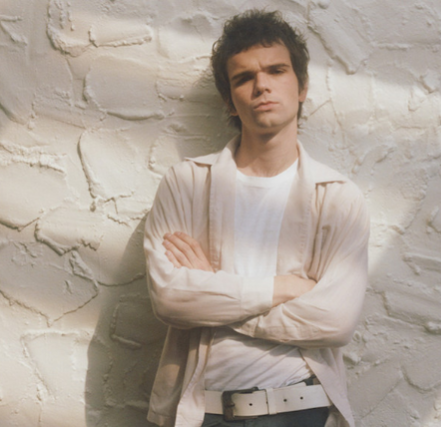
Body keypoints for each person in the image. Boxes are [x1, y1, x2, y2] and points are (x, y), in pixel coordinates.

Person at [143, 9, 369, 427]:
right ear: (230, 100)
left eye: (276, 70)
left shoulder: (338, 198)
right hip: (206, 412)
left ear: (302, 86)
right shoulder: (186, 183)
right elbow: (171, 299)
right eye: (244, 77)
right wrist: (284, 288)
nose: (261, 85)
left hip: (299, 411)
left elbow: (334, 321)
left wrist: (213, 292)